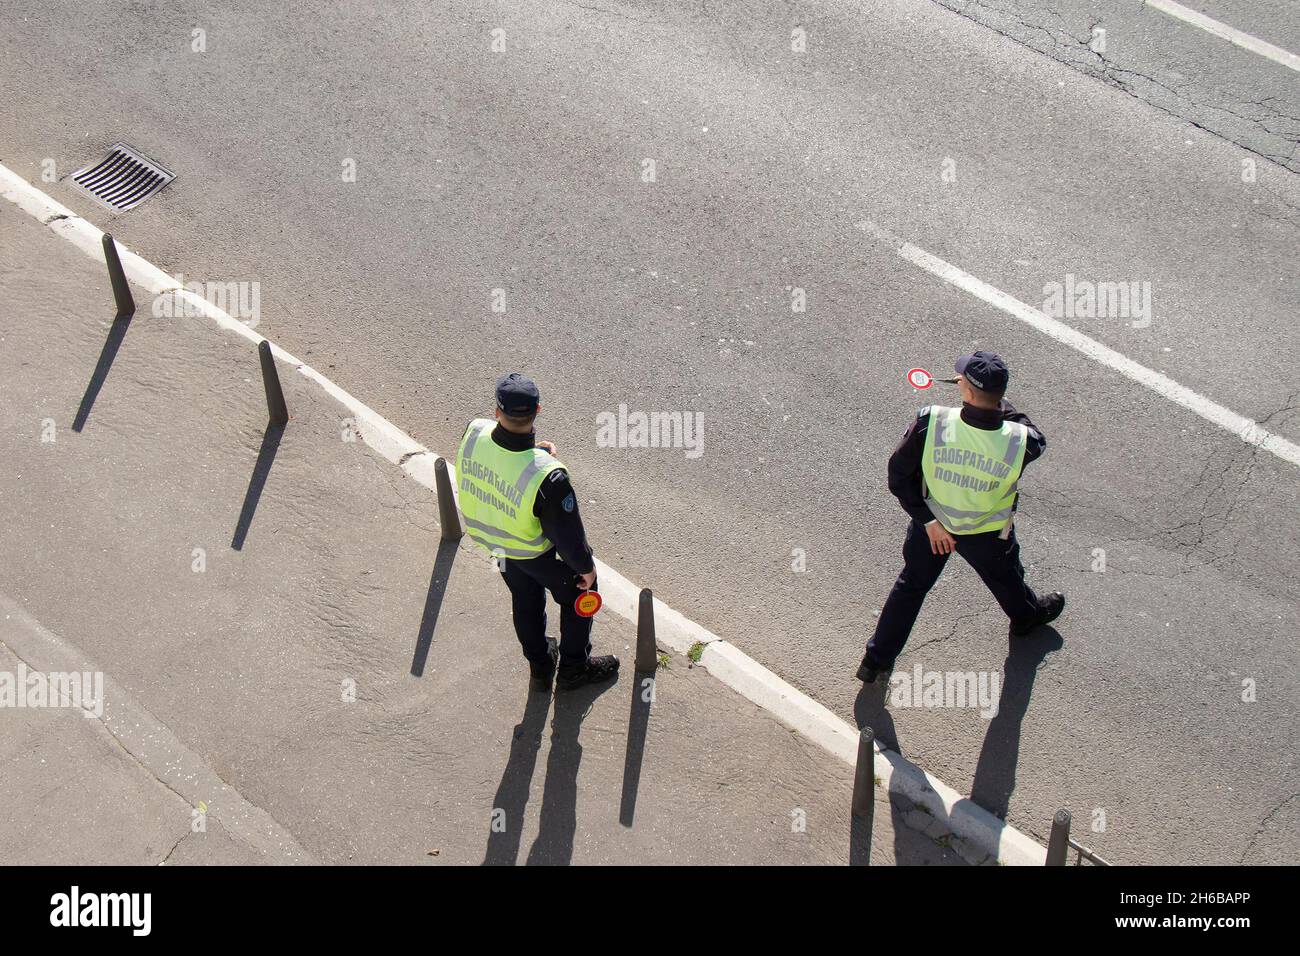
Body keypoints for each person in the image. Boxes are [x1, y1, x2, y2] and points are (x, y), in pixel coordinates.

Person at [857, 351, 1064, 683]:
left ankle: (874, 660)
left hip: (933, 529)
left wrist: (928, 522)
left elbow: (898, 477)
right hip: (987, 532)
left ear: (966, 392)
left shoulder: (931, 423)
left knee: (911, 587)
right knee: (1006, 579)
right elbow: (1030, 431)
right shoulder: (1021, 440)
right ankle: (1027, 618)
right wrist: (999, 403)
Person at [456, 373, 619, 692]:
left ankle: (541, 664)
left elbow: (498, 460)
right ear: (538, 410)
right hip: (534, 554)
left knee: (525, 599)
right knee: (580, 594)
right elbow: (567, 534)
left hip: (497, 547)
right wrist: (585, 567)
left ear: (497, 412)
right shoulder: (549, 478)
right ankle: (574, 667)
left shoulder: (474, 432)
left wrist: (534, 452)